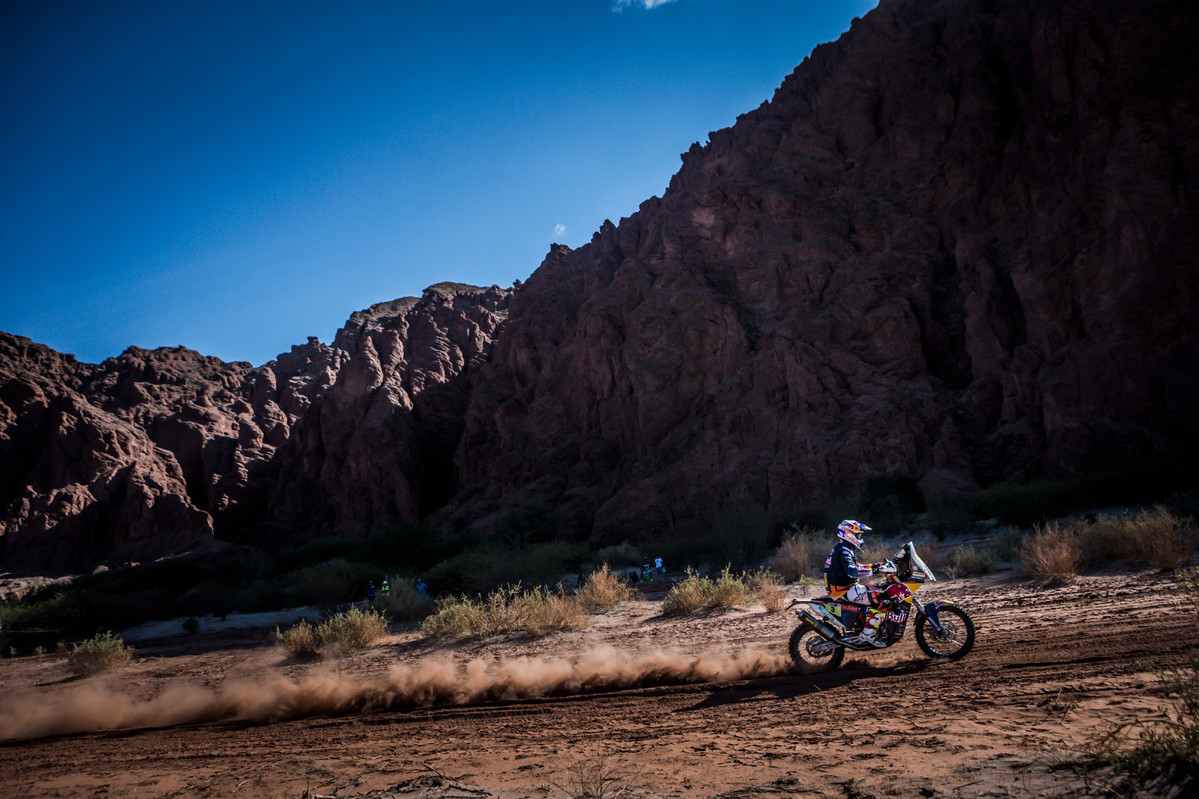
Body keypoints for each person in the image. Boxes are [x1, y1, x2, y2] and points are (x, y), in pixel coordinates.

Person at [823, 519, 892, 647]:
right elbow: (852, 571)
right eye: (858, 535)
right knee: (884, 598)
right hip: (844, 589)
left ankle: (865, 628)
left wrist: (875, 566)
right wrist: (875, 570)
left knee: (876, 590)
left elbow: (857, 566)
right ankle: (867, 634)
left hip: (844, 588)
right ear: (849, 534)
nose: (860, 538)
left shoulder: (844, 548)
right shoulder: (844, 551)